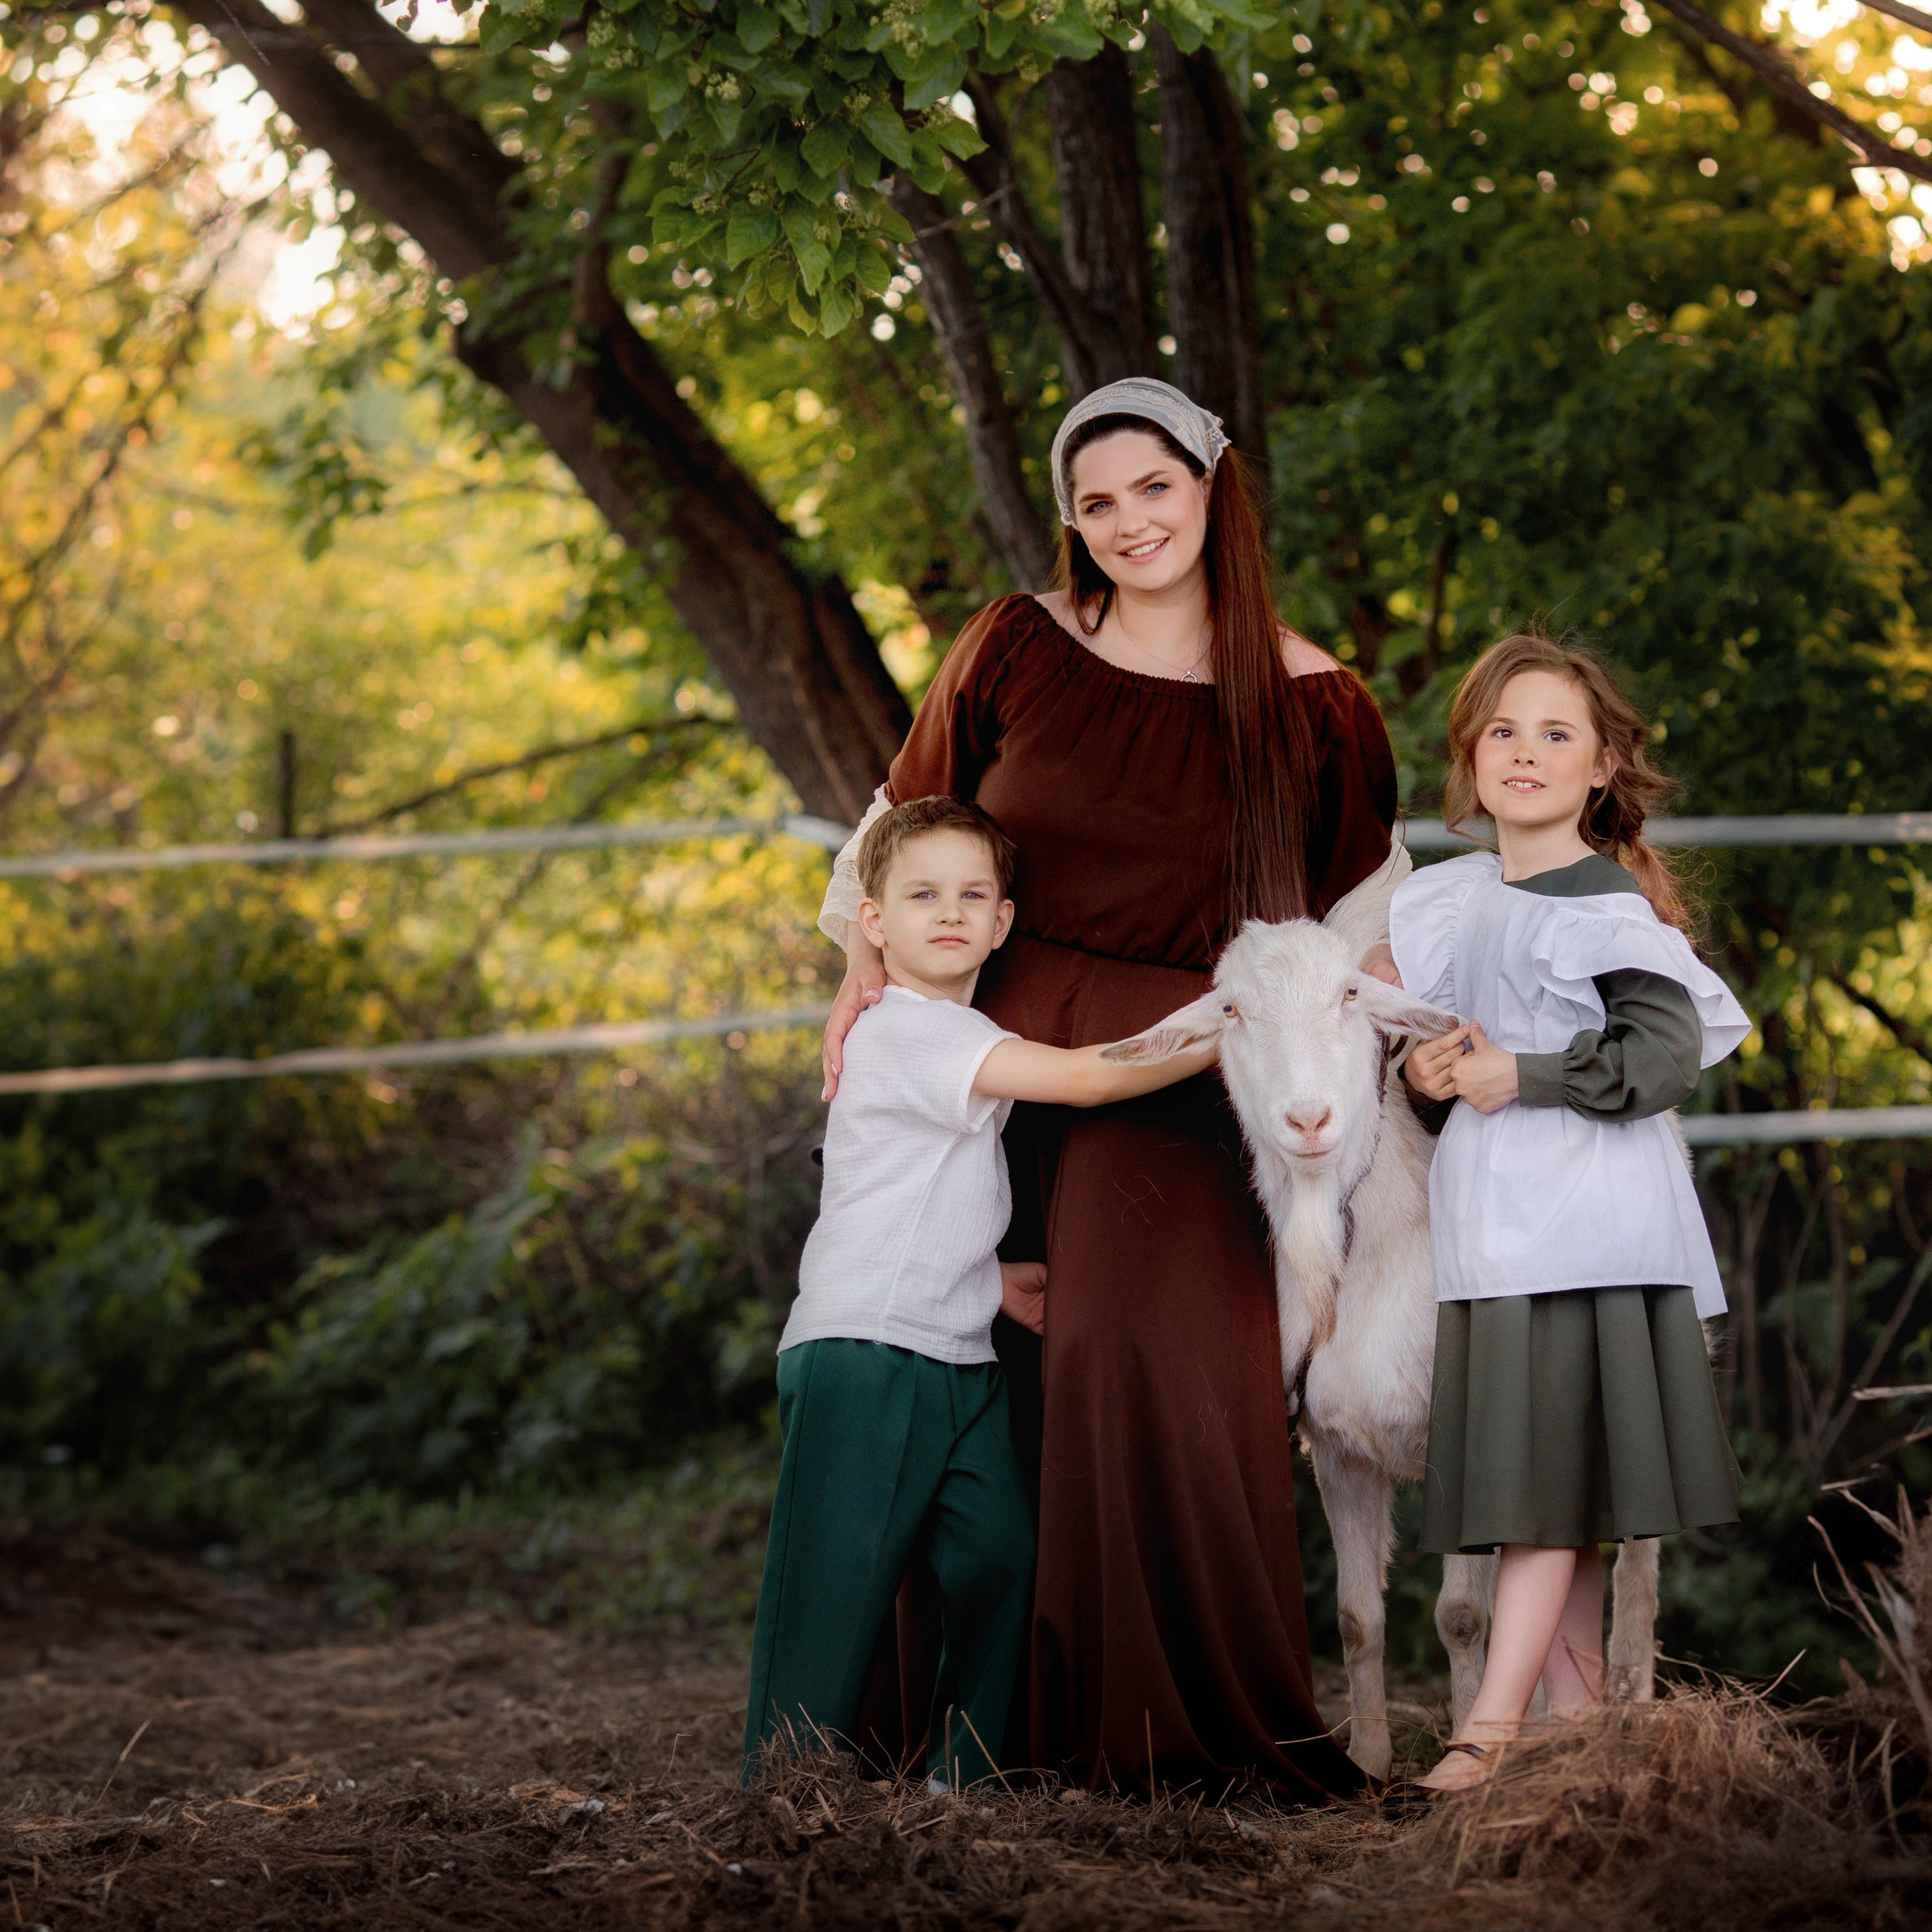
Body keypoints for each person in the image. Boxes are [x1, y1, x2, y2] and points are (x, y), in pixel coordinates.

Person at [817, 378, 1398, 1799]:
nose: (1130, 522)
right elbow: (906, 827)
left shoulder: (1315, 701)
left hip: (1188, 1075)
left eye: (1155, 489)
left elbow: (1367, 913)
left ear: (1212, 487)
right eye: (1097, 502)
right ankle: (968, 1735)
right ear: (1070, 522)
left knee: (1154, 1367)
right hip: (991, 1059)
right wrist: (857, 990)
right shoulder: (1018, 644)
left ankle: (1162, 1732)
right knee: (976, 1371)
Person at [745, 795, 1217, 1790]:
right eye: (921, 894)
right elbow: (1089, 1079)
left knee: (1000, 1567)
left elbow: (907, 1180)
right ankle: (775, 1802)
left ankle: (959, 1789)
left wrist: (988, 1276)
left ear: (1004, 921)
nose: (949, 912)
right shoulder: (908, 1030)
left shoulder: (961, 1035)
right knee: (832, 1588)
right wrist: (1232, 1023)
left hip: (956, 1355)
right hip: (866, 1352)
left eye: (973, 894)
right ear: (873, 923)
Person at [1389, 630, 1749, 1793]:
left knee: (1543, 1494)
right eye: (1504, 730)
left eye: (1558, 734)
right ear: (1470, 756)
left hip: (1585, 1230)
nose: (1527, 752)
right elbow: (1460, 1064)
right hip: (1497, 1231)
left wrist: (1522, 1078)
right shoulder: (1456, 904)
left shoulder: (1606, 905)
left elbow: (1662, 1056)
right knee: (1559, 1489)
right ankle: (1578, 1744)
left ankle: (1484, 1741)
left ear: (1601, 769)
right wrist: (1430, 1079)